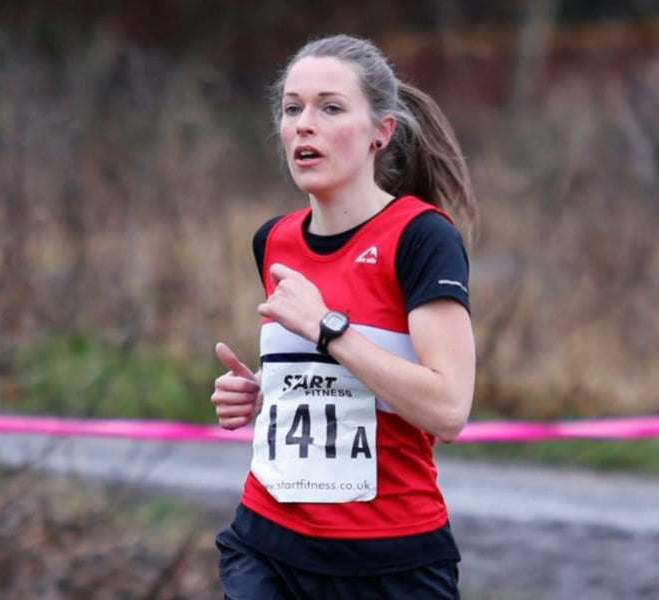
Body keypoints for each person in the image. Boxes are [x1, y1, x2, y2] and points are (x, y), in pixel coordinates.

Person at [209, 34, 478, 599]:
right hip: (269, 544)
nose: (304, 124)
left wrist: (329, 329)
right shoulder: (274, 241)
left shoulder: (421, 238)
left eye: (330, 108)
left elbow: (449, 409)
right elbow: (345, 389)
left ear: (381, 131)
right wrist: (269, 395)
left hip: (388, 561)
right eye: (292, 108)